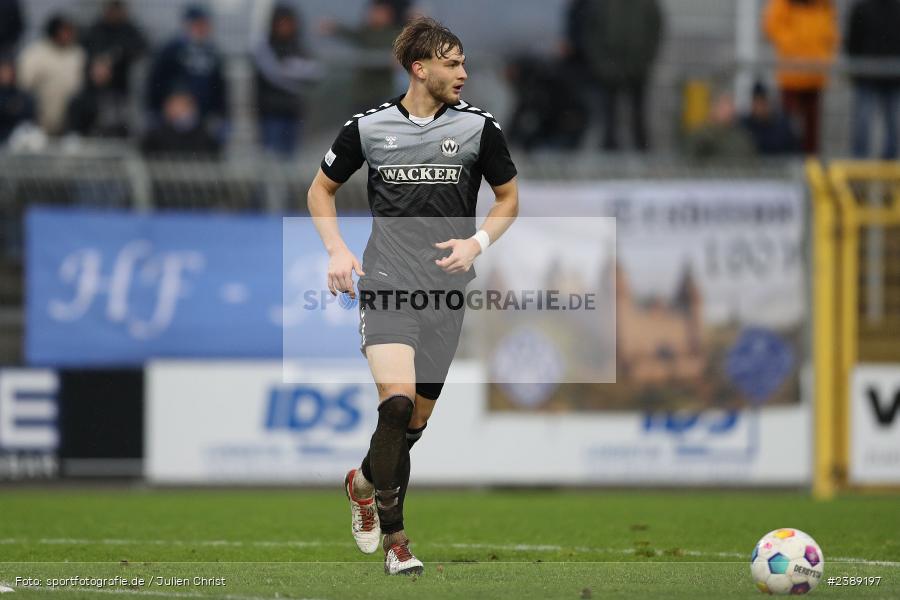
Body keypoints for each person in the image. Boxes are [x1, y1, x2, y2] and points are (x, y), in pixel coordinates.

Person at [307, 17, 518, 575]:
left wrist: (476, 243)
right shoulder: (368, 128)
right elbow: (321, 190)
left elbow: (508, 199)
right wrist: (336, 250)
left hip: (446, 296)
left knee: (413, 426)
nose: (464, 73)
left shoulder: (479, 129)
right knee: (396, 404)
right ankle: (397, 542)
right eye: (453, 63)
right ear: (419, 68)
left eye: (463, 62)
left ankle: (362, 482)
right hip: (386, 285)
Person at [579, 0, 663, 151]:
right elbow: (591, 32)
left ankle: (642, 147)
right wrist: (602, 63)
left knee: (638, 112)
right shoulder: (601, 4)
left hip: (637, 67)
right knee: (609, 114)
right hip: (609, 67)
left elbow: (655, 29)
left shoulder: (647, 4)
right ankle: (610, 147)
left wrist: (644, 61)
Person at [764, 0, 838, 154]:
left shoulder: (822, 4)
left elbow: (830, 33)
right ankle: (788, 158)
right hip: (792, 75)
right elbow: (772, 26)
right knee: (788, 126)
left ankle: (810, 162)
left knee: (812, 130)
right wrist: (793, 46)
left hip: (814, 75)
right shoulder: (785, 3)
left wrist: (823, 55)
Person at [146, 4, 228, 137]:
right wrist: (156, 108)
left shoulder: (212, 52)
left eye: (204, 24)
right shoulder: (171, 49)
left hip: (203, 115)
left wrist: (220, 113)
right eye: (198, 24)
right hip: (173, 113)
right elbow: (156, 80)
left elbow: (219, 87)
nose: (202, 28)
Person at [253, 3, 322, 158]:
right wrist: (296, 71)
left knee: (290, 158)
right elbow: (274, 74)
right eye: (282, 23)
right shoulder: (266, 48)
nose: (286, 28)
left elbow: (316, 72)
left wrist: (293, 70)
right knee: (271, 158)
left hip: (294, 112)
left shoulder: (298, 47)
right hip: (271, 112)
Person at [845, 0, 900, 159]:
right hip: (867, 76)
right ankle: (859, 162)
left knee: (893, 124)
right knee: (863, 123)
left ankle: (889, 163)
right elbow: (853, 41)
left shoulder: (896, 9)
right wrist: (856, 68)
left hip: (892, 77)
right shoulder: (861, 9)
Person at [17, 14, 85, 136]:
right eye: (64, 31)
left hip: (69, 126)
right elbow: (22, 86)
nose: (68, 34)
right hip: (38, 125)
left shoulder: (78, 54)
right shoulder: (35, 54)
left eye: (70, 31)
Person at [82, 0, 148, 100]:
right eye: (111, 11)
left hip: (121, 83)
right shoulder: (96, 29)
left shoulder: (129, 30)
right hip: (95, 82)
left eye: (116, 11)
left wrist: (117, 56)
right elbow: (86, 48)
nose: (114, 14)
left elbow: (141, 49)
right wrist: (99, 62)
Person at [140, 90, 220, 158]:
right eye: (169, 105)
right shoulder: (157, 135)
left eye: (177, 105)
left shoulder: (204, 136)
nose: (169, 109)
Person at [66, 56, 130, 138]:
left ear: (111, 73)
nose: (100, 73)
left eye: (104, 69)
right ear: (91, 71)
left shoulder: (118, 98)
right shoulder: (79, 100)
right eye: (98, 69)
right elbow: (74, 132)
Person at [686, 91, 756, 161]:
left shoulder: (741, 135)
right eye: (724, 106)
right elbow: (693, 155)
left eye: (731, 105)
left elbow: (750, 157)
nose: (730, 110)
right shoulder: (702, 134)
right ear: (713, 108)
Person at [740, 81, 800, 155]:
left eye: (762, 102)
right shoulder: (745, 126)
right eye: (757, 102)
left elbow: (794, 150)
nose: (759, 107)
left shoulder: (782, 125)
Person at [0, 55, 34, 142]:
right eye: (3, 71)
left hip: (16, 139)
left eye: (8, 71)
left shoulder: (22, 96)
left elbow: (28, 119)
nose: (5, 75)